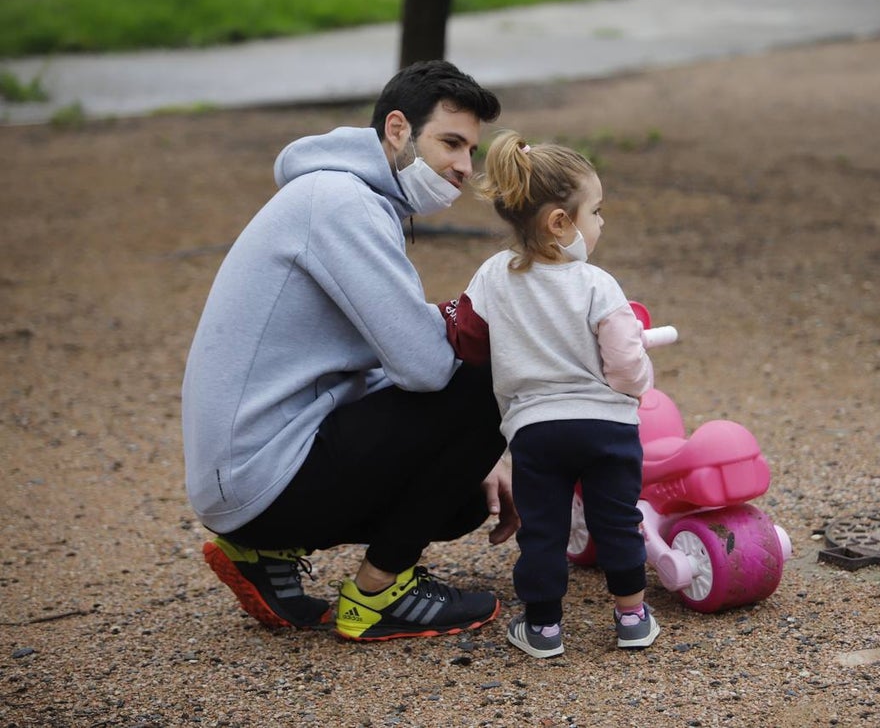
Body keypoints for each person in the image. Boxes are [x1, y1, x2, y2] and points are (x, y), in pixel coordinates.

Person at [181, 60, 517, 643]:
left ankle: (263, 553)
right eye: (451, 143)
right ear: (396, 130)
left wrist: (475, 454)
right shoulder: (342, 203)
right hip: (263, 475)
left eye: (471, 149)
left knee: (462, 501)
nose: (465, 166)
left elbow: (388, 363)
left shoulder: (341, 196)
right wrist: (482, 428)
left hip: (245, 476)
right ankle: (380, 593)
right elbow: (425, 366)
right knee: (490, 376)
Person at [440, 130, 661, 658]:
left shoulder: (494, 275)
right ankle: (631, 616)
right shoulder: (596, 282)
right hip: (607, 425)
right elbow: (626, 359)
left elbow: (468, 339)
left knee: (543, 529)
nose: (601, 222)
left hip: (536, 430)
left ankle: (543, 628)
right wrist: (635, 389)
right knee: (617, 519)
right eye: (596, 211)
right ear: (560, 223)